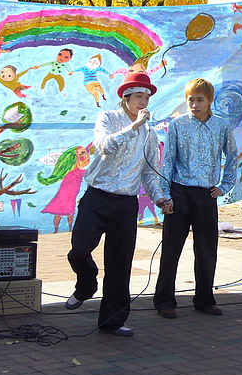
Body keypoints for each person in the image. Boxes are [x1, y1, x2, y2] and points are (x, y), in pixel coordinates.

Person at [65, 72, 171, 337]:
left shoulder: (148, 131)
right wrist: (134, 126)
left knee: (120, 262)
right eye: (138, 97)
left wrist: (159, 197)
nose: (143, 102)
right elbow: (104, 146)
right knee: (79, 249)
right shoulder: (109, 119)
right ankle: (86, 284)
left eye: (146, 97)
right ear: (125, 98)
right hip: (97, 195)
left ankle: (112, 320)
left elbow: (149, 171)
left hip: (125, 203)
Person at [154, 78, 238, 319]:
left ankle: (204, 299)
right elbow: (167, 160)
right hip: (180, 192)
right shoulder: (178, 125)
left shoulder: (222, 126)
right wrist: (165, 195)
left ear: (210, 100)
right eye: (190, 99)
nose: (194, 104)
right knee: (171, 248)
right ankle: (164, 300)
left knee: (206, 249)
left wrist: (225, 185)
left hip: (205, 194)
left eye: (199, 100)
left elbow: (232, 155)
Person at [38, 145, 90, 233]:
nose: (86, 156)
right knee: (64, 213)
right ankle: (63, 230)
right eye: (82, 154)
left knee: (65, 213)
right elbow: (89, 172)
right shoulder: (74, 172)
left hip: (69, 196)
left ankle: (64, 230)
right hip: (66, 196)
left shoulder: (74, 171)